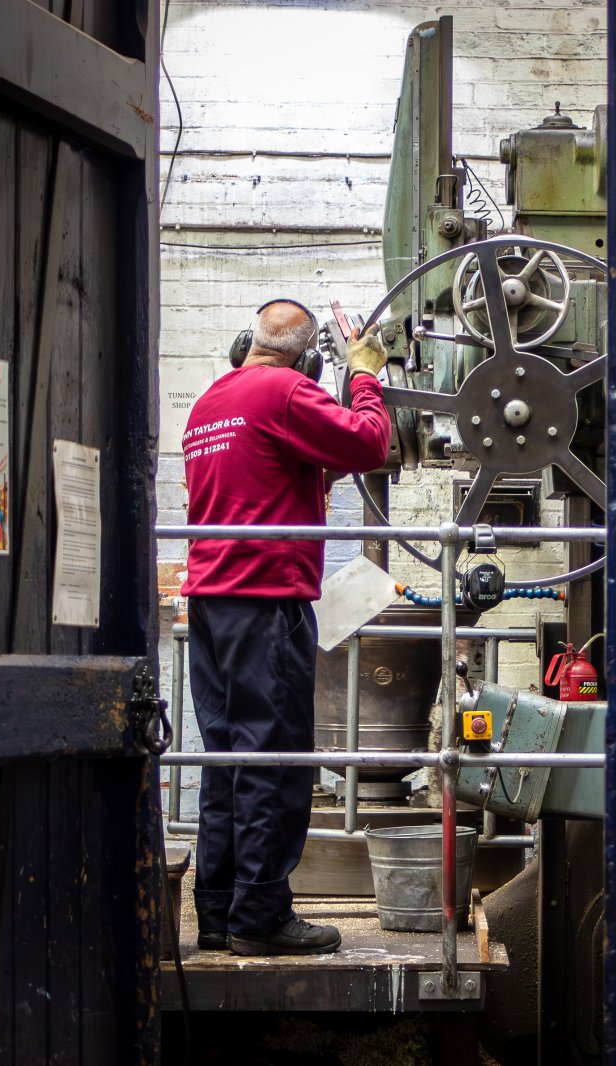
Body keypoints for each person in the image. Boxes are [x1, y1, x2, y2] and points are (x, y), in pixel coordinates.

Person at [181, 299, 390, 955]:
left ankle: (217, 913)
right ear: (300, 353)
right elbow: (369, 443)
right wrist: (366, 375)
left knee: (227, 760)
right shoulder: (286, 391)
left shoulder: (210, 402)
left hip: (211, 602)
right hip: (266, 600)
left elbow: (283, 470)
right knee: (274, 760)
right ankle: (262, 919)